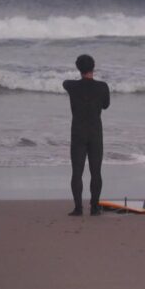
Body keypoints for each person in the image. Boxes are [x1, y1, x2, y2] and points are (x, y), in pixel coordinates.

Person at [63, 54, 110, 216]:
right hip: (95, 131)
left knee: (77, 171)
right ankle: (95, 208)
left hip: (78, 132)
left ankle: (78, 208)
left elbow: (65, 83)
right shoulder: (103, 87)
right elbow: (106, 105)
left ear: (78, 68)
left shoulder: (71, 86)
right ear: (93, 67)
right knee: (95, 171)